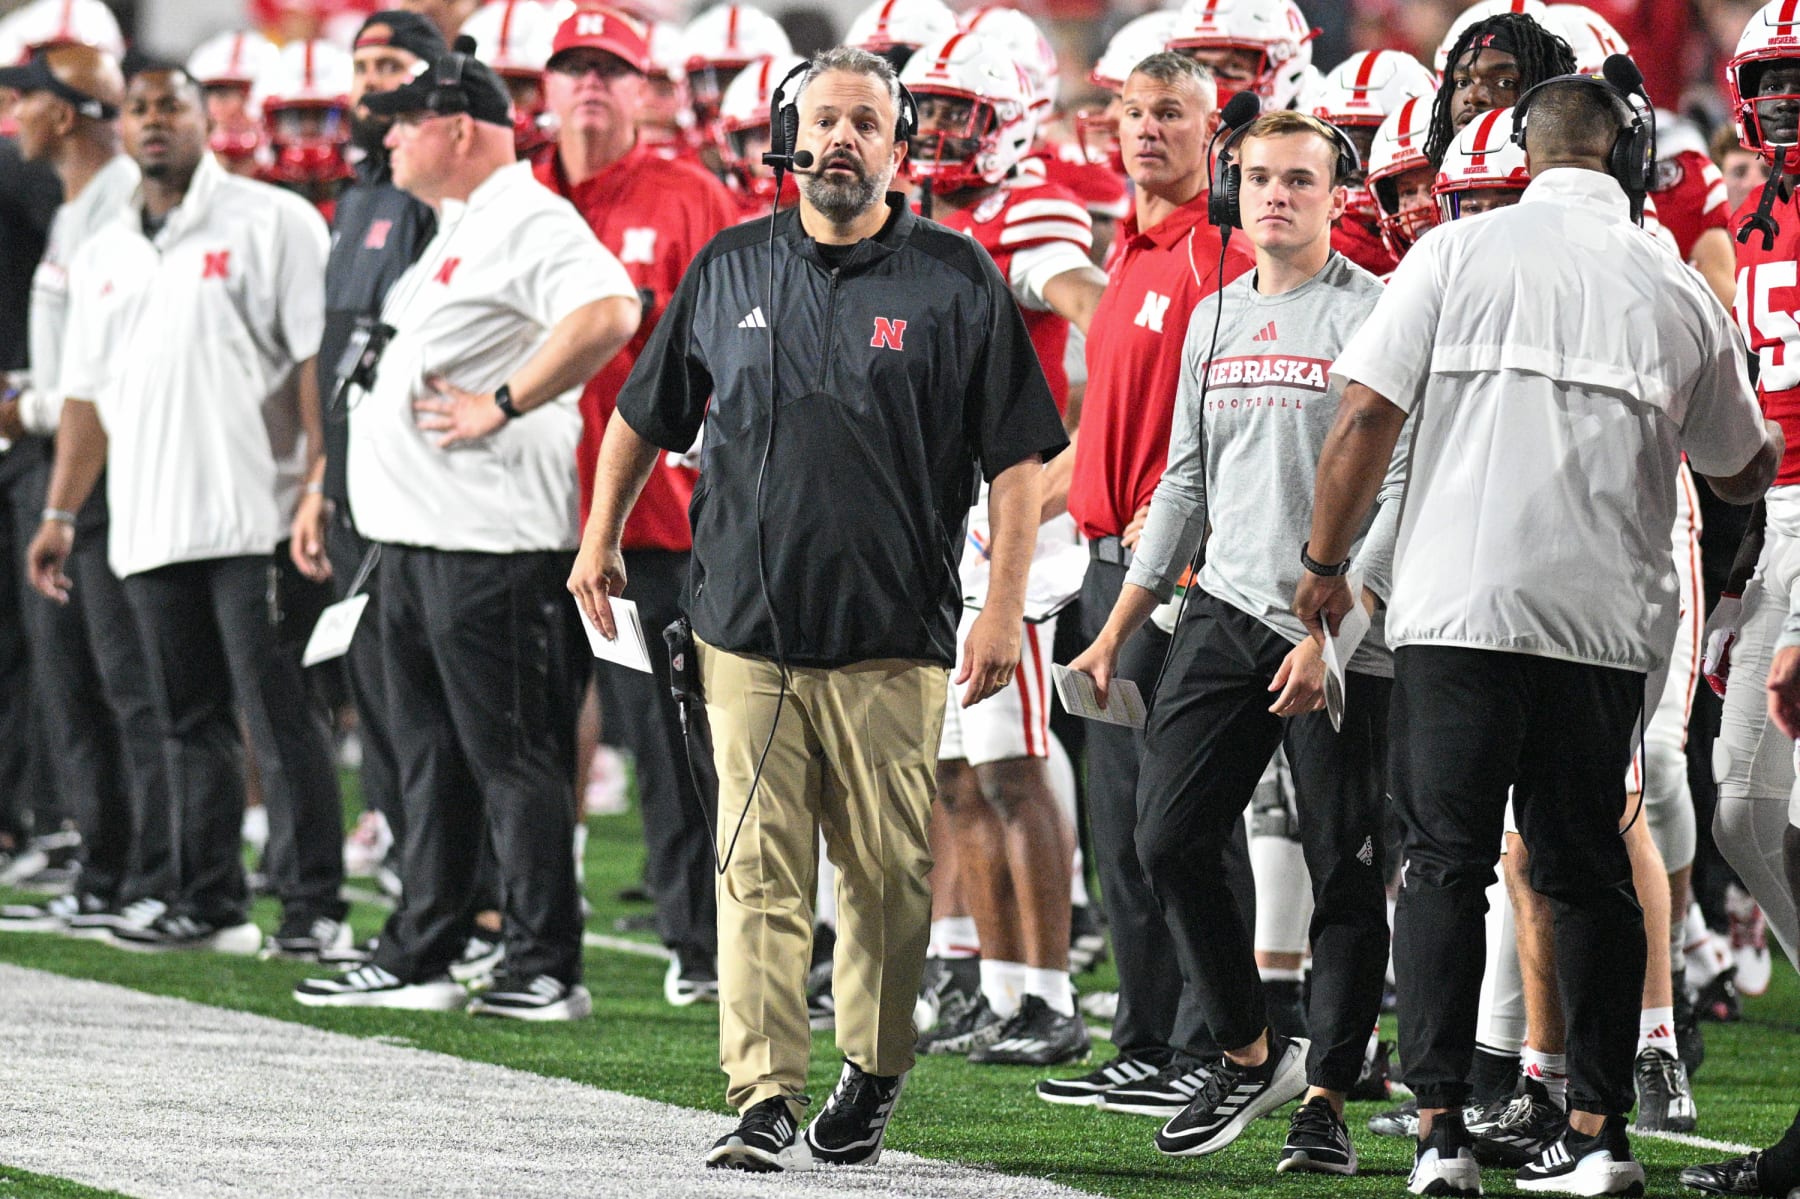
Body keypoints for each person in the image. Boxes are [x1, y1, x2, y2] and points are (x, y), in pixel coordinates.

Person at [572, 45, 1065, 1173]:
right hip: (740, 626)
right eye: (826, 119)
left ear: (899, 148)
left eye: (866, 123)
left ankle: (874, 1067)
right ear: (792, 138)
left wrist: (1002, 609)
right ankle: (760, 1092)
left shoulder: (954, 276)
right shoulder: (729, 265)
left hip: (893, 634)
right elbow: (644, 413)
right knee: (755, 867)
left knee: (888, 876)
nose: (843, 138)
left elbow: (1020, 461)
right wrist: (599, 535)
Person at [1293, 72, 1780, 1198]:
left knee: (1444, 865)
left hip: (1459, 610)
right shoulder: (1669, 282)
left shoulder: (1455, 256)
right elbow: (1743, 462)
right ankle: (1602, 1134)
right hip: (1603, 622)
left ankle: (1437, 1134)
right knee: (1587, 870)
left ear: (1518, 150)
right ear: (1626, 154)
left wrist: (1324, 565)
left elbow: (1365, 414)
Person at [290, 39, 640, 1018]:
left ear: (455, 127)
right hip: (415, 537)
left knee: (515, 756)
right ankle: (423, 948)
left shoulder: (529, 215)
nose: (388, 136)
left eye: (403, 120)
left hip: (492, 541)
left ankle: (542, 963)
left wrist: (502, 400)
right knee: (428, 754)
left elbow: (611, 309)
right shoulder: (456, 222)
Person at [1072, 109, 1392, 1174]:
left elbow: (1394, 485)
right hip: (1225, 607)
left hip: (1338, 622)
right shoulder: (1211, 316)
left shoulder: (1378, 313)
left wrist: (1335, 625)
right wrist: (1121, 621)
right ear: (1234, 187)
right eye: (1259, 177)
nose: (1276, 196)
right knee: (1164, 835)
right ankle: (1253, 1049)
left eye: (1300, 179)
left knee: (1342, 859)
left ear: (1337, 194)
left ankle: (1331, 1097)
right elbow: (1185, 478)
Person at [27, 67, 347, 956]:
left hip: (260, 514)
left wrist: (320, 479)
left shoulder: (272, 219)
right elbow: (87, 397)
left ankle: (313, 903)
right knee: (186, 722)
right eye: (140, 108)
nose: (154, 121)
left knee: (281, 720)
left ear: (208, 120)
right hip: (149, 522)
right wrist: (60, 513)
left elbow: (315, 360)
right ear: (121, 127)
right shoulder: (101, 255)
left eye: (172, 105)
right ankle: (209, 900)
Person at [1038, 51, 1257, 1119]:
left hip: (1175, 570)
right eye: (1132, 113)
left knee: (1187, 819)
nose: (1146, 130)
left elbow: (1234, 419)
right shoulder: (1129, 249)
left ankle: (1206, 1040)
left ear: (1213, 133)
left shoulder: (1219, 251)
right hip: (1106, 563)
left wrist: (1185, 543)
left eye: (1171, 113)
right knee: (1124, 817)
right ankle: (1144, 1033)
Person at [899, 27, 1107, 1068]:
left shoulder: (1026, 214)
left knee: (1014, 768)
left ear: (1012, 116)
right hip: (938, 530)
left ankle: (1050, 990)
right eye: (927, 109)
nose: (934, 130)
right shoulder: (919, 213)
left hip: (1002, 535)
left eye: (956, 112)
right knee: (955, 778)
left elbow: (1102, 323)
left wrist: (1063, 465)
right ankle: (996, 982)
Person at [529, 4, 739, 1006]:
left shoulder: (691, 196)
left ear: (645, 87)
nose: (589, 85)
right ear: (544, 85)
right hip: (521, 516)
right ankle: (523, 931)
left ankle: (698, 941)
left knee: (672, 743)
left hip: (653, 525)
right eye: (572, 67)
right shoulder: (511, 196)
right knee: (521, 737)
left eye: (610, 68)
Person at [0, 43, 176, 940]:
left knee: (122, 683)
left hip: (93, 470)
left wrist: (19, 406)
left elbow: (97, 372)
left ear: (63, 113)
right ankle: (106, 863)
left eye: (22, 100)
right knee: (75, 679)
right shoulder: (77, 212)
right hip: (63, 457)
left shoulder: (114, 214)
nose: (13, 115)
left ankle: (151, 867)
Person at [288, 8, 445, 932]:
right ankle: (412, 891)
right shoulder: (356, 202)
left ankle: (464, 906)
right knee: (377, 705)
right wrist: (318, 479)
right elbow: (329, 356)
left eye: (391, 62)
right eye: (363, 64)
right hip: (349, 484)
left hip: (415, 487)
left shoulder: (436, 200)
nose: (371, 80)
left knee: (425, 708)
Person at [1709, 0, 1800, 980]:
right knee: (1741, 811)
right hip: (1778, 521)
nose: (1782, 97)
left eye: (1799, 77)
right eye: (1769, 78)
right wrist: (1737, 581)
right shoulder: (1754, 219)